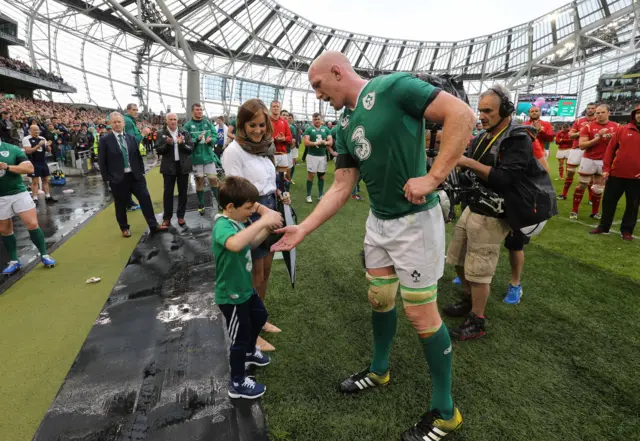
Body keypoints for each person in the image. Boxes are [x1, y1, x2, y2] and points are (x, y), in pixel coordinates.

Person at [271, 51, 475, 440]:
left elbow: (462, 115)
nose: (316, 95)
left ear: (337, 71)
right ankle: (379, 370)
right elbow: (343, 184)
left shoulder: (394, 87)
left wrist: (433, 178)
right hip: (377, 222)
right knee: (379, 299)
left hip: (415, 223)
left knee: (421, 316)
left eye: (317, 85)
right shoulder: (343, 124)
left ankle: (446, 410)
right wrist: (305, 229)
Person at [443, 85, 537, 336]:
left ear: (505, 110)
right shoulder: (484, 136)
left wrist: (466, 162)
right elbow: (469, 172)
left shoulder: (518, 137)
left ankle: (477, 321)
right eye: (480, 110)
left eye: (488, 110)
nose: (481, 115)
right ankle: (468, 301)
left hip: (493, 213)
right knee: (459, 260)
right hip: (474, 207)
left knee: (479, 270)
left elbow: (506, 179)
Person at [221, 98, 292, 352]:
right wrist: (262, 213)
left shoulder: (265, 147)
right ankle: (249, 329)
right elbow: (236, 192)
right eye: (252, 125)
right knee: (253, 275)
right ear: (241, 125)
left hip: (269, 209)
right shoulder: (233, 152)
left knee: (266, 272)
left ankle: (258, 319)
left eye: (261, 125)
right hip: (250, 214)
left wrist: (280, 194)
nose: (258, 130)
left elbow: (269, 179)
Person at [213, 176, 283, 399]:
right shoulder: (222, 226)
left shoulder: (237, 222)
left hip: (245, 289)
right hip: (231, 296)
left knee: (260, 315)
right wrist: (262, 221)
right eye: (248, 207)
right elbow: (235, 244)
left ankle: (251, 351)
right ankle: (237, 383)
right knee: (239, 337)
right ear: (230, 207)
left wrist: (266, 230)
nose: (252, 211)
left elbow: (249, 243)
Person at [98, 112, 168, 237]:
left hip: (136, 176)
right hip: (118, 179)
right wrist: (108, 179)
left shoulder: (130, 138)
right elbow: (102, 161)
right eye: (114, 122)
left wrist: (141, 172)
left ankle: (153, 225)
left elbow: (138, 156)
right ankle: (124, 228)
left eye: (119, 121)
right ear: (110, 124)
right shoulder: (105, 140)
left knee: (145, 199)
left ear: (123, 123)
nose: (117, 124)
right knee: (120, 205)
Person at [0, 139, 56, 275]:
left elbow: (29, 168)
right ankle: (14, 261)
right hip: (1, 197)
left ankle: (44, 255)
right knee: (4, 229)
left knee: (31, 224)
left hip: (18, 193)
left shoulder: (12, 149)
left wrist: (7, 167)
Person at [590, 105, 640, 241]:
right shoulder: (622, 130)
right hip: (616, 174)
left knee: (633, 205)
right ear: (634, 115)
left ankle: (627, 230)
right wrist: (606, 169)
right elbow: (610, 151)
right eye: (638, 113)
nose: (639, 115)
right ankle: (603, 226)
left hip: (636, 178)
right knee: (608, 202)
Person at [570, 104, 618, 220]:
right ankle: (574, 211)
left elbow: (621, 145)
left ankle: (595, 212)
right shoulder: (588, 127)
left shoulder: (617, 127)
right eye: (597, 113)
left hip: (605, 161)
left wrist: (610, 140)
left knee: (598, 188)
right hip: (589, 159)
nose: (599, 115)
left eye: (602, 112)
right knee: (582, 184)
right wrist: (599, 138)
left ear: (609, 113)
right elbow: (582, 145)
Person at [155, 113, 193, 227]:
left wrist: (182, 144)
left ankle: (181, 216)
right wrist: (167, 145)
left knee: (183, 193)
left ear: (178, 121)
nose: (173, 121)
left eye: (175, 119)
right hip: (168, 167)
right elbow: (158, 150)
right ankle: (167, 217)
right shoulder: (161, 133)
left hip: (183, 166)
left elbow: (190, 149)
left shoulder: (184, 132)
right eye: (171, 119)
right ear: (166, 121)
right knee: (168, 193)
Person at [183, 103, 219, 214]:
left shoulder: (208, 123)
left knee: (213, 179)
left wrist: (211, 140)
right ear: (192, 112)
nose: (200, 111)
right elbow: (186, 142)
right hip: (196, 158)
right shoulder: (187, 126)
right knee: (200, 181)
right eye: (197, 110)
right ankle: (201, 203)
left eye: (201, 109)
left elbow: (215, 136)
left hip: (208, 157)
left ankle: (219, 202)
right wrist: (197, 139)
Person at [559, 103, 597, 200]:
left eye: (592, 108)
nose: (590, 110)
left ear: (595, 110)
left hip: (591, 150)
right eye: (588, 108)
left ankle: (590, 198)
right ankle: (564, 194)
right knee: (570, 172)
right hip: (577, 148)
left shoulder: (598, 121)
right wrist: (580, 133)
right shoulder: (579, 121)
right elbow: (571, 135)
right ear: (586, 109)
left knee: (590, 176)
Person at [22, 124, 57, 204]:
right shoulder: (26, 139)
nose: (37, 131)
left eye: (38, 130)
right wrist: (38, 145)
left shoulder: (42, 138)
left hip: (42, 161)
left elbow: (49, 151)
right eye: (35, 130)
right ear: (30, 131)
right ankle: (35, 199)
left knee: (45, 179)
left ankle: (48, 196)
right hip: (33, 162)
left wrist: (48, 146)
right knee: (35, 181)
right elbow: (28, 151)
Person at [303, 112, 334, 203]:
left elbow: (330, 142)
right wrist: (316, 143)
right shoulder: (309, 129)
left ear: (321, 120)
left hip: (322, 156)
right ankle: (309, 195)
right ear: (312, 120)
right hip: (312, 156)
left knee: (321, 176)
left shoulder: (326, 129)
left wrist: (325, 143)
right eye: (315, 119)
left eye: (318, 119)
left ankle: (320, 195)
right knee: (311, 176)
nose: (317, 121)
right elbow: (306, 142)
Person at [269, 101, 292, 183]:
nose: (275, 108)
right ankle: (271, 194)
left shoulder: (284, 122)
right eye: (274, 106)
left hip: (282, 153)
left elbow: (289, 138)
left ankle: (281, 193)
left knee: (281, 177)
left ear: (280, 108)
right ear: (270, 108)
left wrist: (283, 139)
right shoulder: (267, 121)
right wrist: (272, 139)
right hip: (270, 153)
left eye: (277, 106)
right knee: (270, 176)